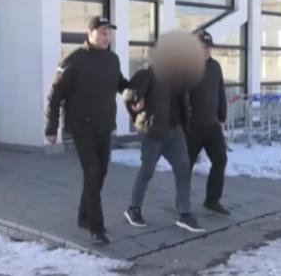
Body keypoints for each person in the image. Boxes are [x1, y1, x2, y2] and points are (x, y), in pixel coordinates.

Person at [45, 16, 129, 246]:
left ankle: (84, 215)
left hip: (104, 126)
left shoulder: (112, 59)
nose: (106, 37)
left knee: (100, 174)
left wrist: (139, 91)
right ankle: (96, 228)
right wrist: (51, 128)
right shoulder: (74, 60)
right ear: (89, 33)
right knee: (92, 173)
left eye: (109, 33)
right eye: (102, 32)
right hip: (81, 127)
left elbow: (121, 84)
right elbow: (54, 95)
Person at [123, 32, 206, 233]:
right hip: (153, 133)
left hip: (174, 131)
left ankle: (184, 213)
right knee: (147, 171)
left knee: (183, 169)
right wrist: (138, 117)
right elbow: (128, 96)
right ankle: (133, 208)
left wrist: (186, 127)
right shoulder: (147, 73)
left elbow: (184, 103)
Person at [187, 30, 230, 215]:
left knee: (220, 160)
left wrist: (222, 117)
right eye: (202, 47)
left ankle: (212, 200)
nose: (206, 50)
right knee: (186, 166)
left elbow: (220, 93)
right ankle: (183, 204)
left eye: (208, 47)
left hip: (212, 125)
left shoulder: (215, 67)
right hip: (193, 127)